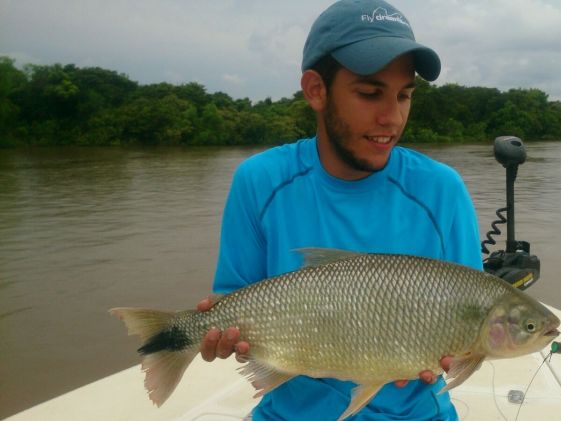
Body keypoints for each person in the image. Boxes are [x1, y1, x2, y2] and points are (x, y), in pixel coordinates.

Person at [198, 0, 483, 419]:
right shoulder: (258, 181)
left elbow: (470, 315)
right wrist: (223, 336)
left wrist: (456, 353)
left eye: (404, 95)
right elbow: (235, 305)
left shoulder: (442, 190)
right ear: (316, 90)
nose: (392, 117)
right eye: (370, 93)